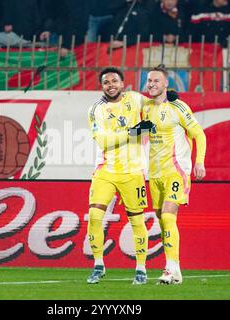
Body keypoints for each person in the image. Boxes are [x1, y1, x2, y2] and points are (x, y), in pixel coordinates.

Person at [87, 67, 154, 285]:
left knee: (136, 220)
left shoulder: (135, 99)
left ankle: (141, 269)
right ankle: (98, 265)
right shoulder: (96, 109)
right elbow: (103, 141)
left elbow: (156, 104)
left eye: (115, 81)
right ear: (102, 86)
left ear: (123, 83)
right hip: (105, 171)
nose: (111, 85)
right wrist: (133, 132)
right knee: (95, 216)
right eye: (106, 82)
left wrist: (166, 95)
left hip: (133, 171)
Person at [143, 65, 206, 284]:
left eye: (156, 81)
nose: (152, 84)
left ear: (166, 83)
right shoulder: (146, 108)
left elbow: (200, 134)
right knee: (163, 221)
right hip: (155, 174)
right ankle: (175, 269)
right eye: (149, 81)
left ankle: (169, 270)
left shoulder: (179, 107)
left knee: (169, 216)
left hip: (176, 171)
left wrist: (199, 162)